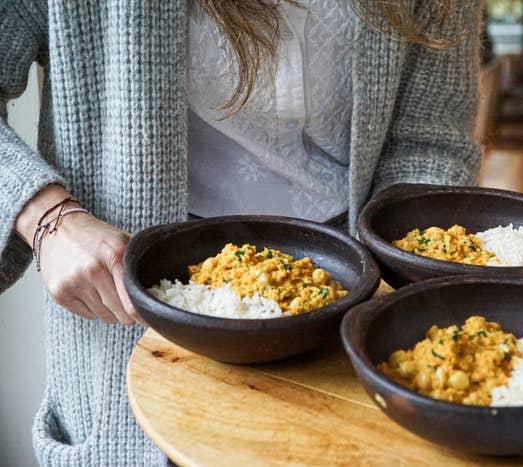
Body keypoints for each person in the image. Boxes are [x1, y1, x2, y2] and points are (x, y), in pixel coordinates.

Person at [1, 0, 482, 465]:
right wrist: (45, 216)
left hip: (354, 296)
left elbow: (428, 138)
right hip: (128, 303)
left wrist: (383, 278)